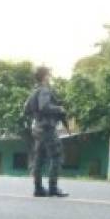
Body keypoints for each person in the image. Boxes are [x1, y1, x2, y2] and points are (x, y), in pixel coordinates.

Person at [26, 66, 68, 197]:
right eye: (49, 75)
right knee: (56, 156)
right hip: (47, 129)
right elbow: (44, 106)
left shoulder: (34, 92)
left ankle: (38, 188)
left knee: (39, 158)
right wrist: (59, 109)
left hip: (38, 129)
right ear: (44, 77)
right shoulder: (44, 90)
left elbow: (25, 109)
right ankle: (53, 188)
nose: (50, 77)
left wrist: (36, 115)